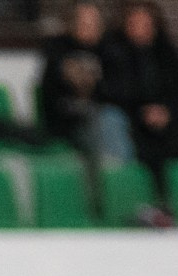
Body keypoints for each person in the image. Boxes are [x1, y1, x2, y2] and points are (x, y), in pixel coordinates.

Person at [99, 0, 178, 191]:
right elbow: (110, 92)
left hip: (165, 118)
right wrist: (142, 111)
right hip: (131, 116)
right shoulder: (114, 52)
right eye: (134, 24)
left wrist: (165, 111)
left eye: (146, 25)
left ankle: (168, 198)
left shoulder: (167, 54)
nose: (140, 30)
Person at [39, 2, 130, 165]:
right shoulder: (58, 51)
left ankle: (117, 174)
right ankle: (114, 180)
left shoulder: (111, 52)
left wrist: (94, 84)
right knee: (108, 124)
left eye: (93, 23)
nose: (88, 28)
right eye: (83, 23)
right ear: (72, 24)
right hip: (68, 123)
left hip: (102, 117)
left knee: (113, 120)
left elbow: (120, 93)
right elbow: (50, 96)